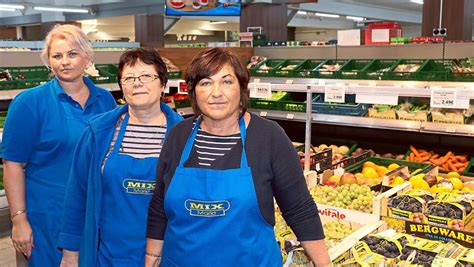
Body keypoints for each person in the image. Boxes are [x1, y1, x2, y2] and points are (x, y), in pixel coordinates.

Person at [145, 47, 330, 266]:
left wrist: (324, 264)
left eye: (226, 81)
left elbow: (299, 208)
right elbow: (159, 205)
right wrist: (152, 257)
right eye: (205, 83)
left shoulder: (268, 137)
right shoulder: (178, 136)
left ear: (241, 88)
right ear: (193, 91)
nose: (216, 92)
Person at [2, 24, 117, 266]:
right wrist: (19, 220)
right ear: (49, 61)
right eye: (57, 55)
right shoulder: (29, 103)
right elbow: (13, 165)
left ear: (87, 58)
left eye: (72, 54)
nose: (64, 61)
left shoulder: (105, 100)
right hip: (47, 215)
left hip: (92, 213)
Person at [58, 47, 183, 266]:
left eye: (146, 76)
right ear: (122, 88)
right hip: (109, 255)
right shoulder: (99, 132)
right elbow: (77, 193)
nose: (137, 83)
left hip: (167, 254)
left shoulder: (183, 135)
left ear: (162, 83)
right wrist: (71, 252)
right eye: (129, 78)